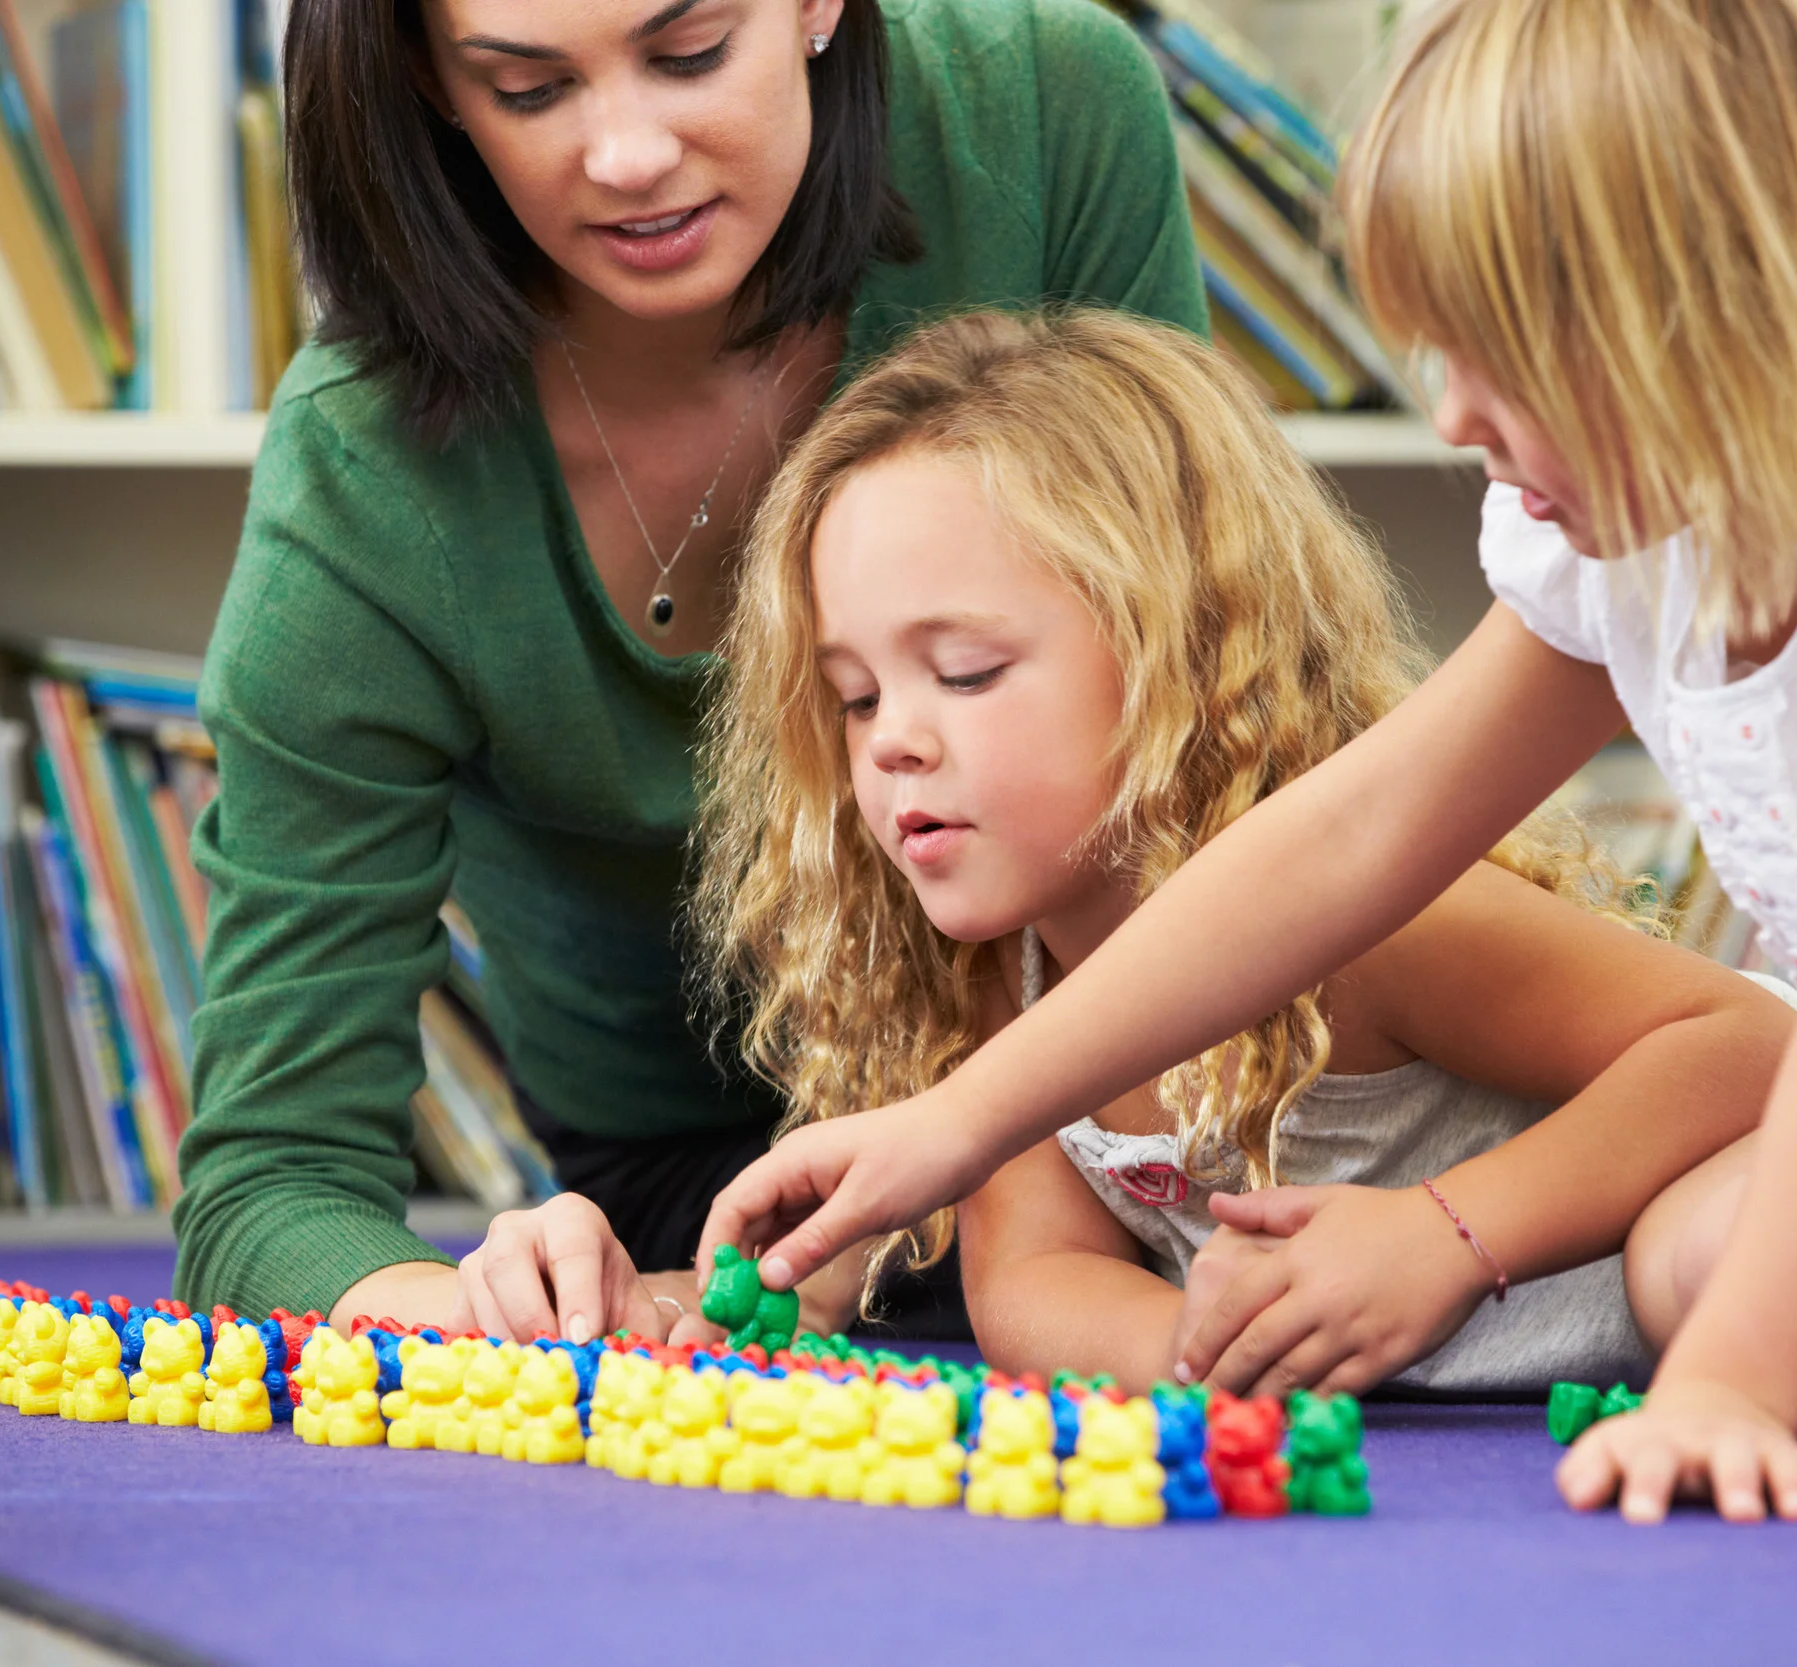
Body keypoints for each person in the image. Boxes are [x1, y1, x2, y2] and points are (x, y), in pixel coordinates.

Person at [697, 0, 1797, 1521]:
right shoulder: (1644, 533)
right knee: (1707, 1266)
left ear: (1712, 312)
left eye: (1503, 356)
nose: (1458, 414)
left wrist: (1739, 1390)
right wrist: (955, 1123)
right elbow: (1355, 833)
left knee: (1751, 1296)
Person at [171, 0, 1207, 1347]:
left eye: (689, 53)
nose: (627, 155)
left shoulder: (1044, 113)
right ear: (428, 83)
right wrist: (486, 1314)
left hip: (1139, 1121)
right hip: (704, 1205)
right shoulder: (365, 479)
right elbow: (268, 1178)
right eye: (528, 89)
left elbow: (1223, 708)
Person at [693, 309, 1797, 1394]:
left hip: (1787, 1221)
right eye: (853, 697)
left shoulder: (1375, 929)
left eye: (969, 671)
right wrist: (1220, 1349)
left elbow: (1747, 1045)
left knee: (1697, 1268)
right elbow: (1036, 1274)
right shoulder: (1007, 973)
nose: (892, 741)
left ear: (1184, 653)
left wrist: (1447, 1232)